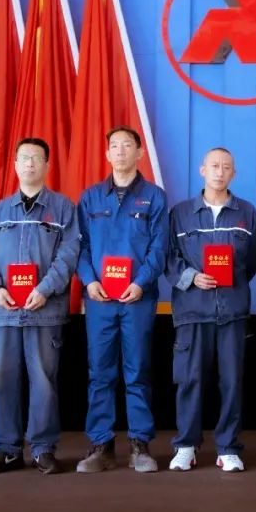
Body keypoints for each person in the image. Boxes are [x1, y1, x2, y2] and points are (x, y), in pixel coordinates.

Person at [0, 138, 80, 475]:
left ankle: (43, 449)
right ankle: (7, 449)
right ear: (15, 165)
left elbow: (68, 255)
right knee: (4, 380)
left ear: (47, 165)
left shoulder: (63, 209)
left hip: (45, 310)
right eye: (24, 157)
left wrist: (45, 288)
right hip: (5, 312)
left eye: (37, 158)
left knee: (44, 380)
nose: (30, 163)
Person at [76, 126, 169, 474]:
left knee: (137, 371)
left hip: (137, 299)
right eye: (114, 145)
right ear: (107, 154)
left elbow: (159, 247)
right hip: (100, 299)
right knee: (100, 373)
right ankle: (100, 444)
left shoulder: (155, 197)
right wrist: (89, 281)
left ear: (139, 153)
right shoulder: (90, 198)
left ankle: (139, 444)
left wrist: (141, 283)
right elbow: (80, 246)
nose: (120, 151)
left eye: (127, 145)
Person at [165, 147, 256, 473]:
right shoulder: (180, 213)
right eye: (215, 166)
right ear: (202, 170)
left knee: (231, 382)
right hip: (192, 311)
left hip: (232, 311)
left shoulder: (247, 213)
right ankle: (186, 445)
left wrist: (229, 282)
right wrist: (193, 277)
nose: (220, 172)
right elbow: (169, 258)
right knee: (189, 379)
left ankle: (228, 448)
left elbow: (251, 262)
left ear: (234, 173)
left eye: (226, 167)